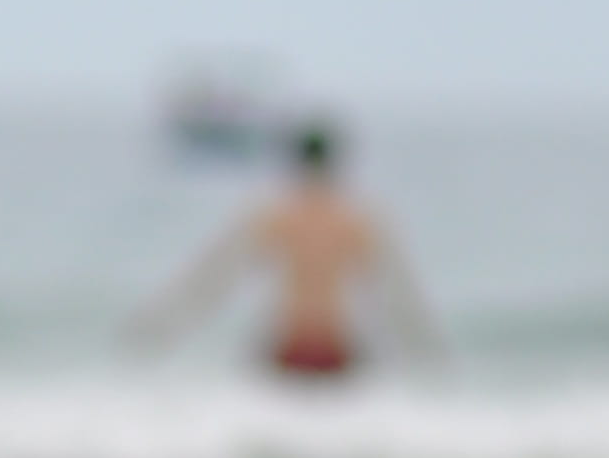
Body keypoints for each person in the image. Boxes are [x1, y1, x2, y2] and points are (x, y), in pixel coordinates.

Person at [134, 121, 441, 382]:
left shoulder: (275, 218)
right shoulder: (358, 222)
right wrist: (426, 354)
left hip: (288, 349)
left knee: (254, 360)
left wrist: (161, 327)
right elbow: (398, 297)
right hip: (337, 351)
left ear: (295, 163)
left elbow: (214, 281)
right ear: (335, 163)